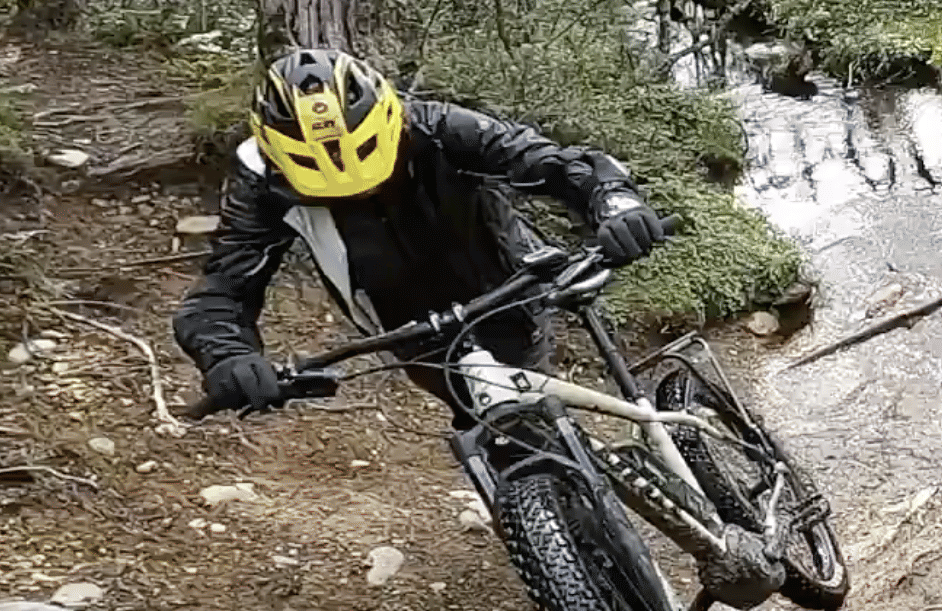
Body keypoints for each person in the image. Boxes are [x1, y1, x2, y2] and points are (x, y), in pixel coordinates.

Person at [174, 48, 672, 422]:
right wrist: (229, 357)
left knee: (537, 412)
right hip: (409, 327)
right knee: (488, 428)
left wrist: (613, 200)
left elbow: (544, 159)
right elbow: (222, 291)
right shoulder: (264, 183)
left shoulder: (434, 125)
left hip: (507, 290)